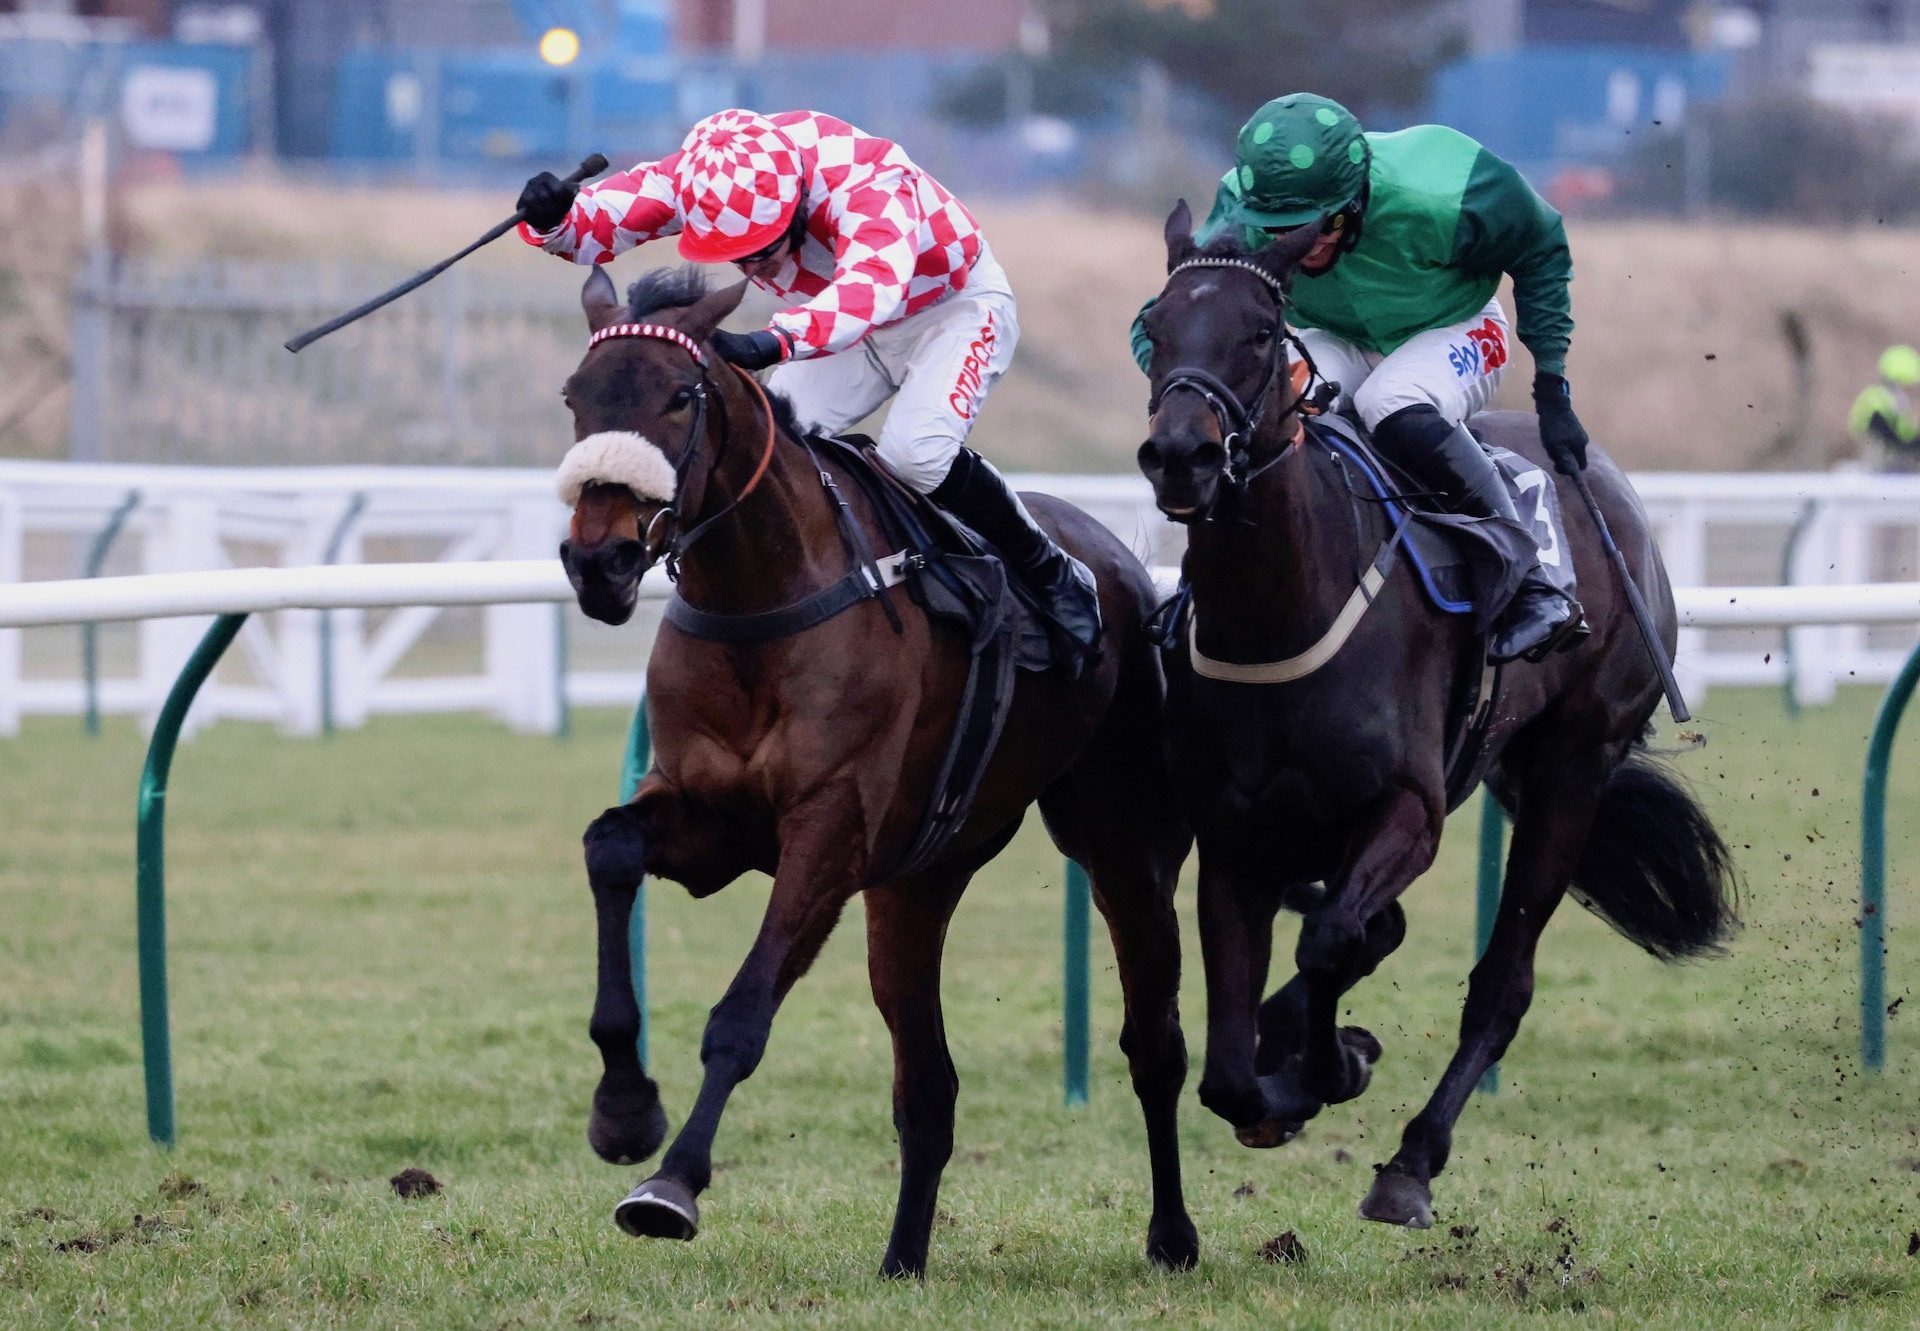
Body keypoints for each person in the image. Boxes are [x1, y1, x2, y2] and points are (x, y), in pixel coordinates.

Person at [516, 107, 1100, 670]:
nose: (754, 268)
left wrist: (769, 343)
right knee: (769, 454)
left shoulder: (870, 180)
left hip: (952, 309)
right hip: (839, 327)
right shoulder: (706, 174)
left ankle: (1048, 570)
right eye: (739, 258)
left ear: (796, 205)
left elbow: (870, 290)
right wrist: (552, 220)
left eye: (762, 250)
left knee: (915, 456)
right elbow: (600, 225)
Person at [1133, 93, 1587, 664]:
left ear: (1352, 201)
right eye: (1273, 228)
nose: (1289, 242)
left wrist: (1552, 385)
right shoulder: (1244, 202)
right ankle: (1202, 584)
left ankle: (1530, 575)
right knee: (1266, 411)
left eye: (1308, 227)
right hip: (1333, 333)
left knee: (1390, 399)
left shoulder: (1450, 184)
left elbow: (1542, 247)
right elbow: (1187, 306)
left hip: (1456, 326)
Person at [1849, 345, 1920, 472]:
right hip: (1874, 465)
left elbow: (1907, 436)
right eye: (1906, 386)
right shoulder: (1875, 399)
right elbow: (1884, 433)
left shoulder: (1899, 405)